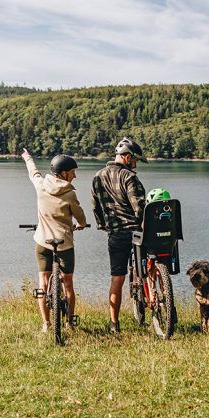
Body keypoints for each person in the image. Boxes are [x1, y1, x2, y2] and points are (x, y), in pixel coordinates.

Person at [22, 148, 88, 332]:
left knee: (43, 282)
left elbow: (32, 172)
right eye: (73, 172)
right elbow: (79, 215)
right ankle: (69, 323)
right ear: (64, 173)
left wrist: (27, 157)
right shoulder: (69, 193)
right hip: (64, 244)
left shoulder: (41, 185)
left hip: (43, 242)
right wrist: (82, 224)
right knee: (67, 283)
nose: (74, 176)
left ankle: (46, 324)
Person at [91, 137, 148, 334]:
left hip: (116, 234)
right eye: (135, 161)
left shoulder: (98, 177)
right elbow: (139, 207)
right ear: (126, 157)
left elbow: (96, 208)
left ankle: (114, 324)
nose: (135, 165)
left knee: (117, 277)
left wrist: (104, 226)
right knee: (147, 265)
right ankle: (154, 297)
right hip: (135, 231)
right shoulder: (129, 177)